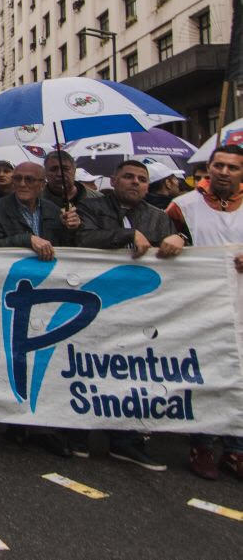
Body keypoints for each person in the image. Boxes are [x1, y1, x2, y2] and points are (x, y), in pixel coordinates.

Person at [74, 160, 184, 471]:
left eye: (142, 179)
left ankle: (126, 439)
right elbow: (83, 239)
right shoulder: (90, 208)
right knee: (89, 366)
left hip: (139, 309)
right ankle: (81, 431)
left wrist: (181, 240)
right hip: (95, 303)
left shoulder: (159, 218)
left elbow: (176, 254)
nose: (135, 183)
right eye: (128, 177)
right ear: (114, 180)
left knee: (133, 372)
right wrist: (127, 235)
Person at [0, 161, 79, 457]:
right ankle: (16, 423)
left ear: (42, 183)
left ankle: (48, 427)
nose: (22, 184)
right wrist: (26, 240)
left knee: (50, 358)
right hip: (15, 292)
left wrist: (72, 228)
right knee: (17, 356)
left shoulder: (54, 212)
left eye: (30, 179)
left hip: (51, 293)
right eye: (18, 179)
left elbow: (74, 250)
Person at [165, 145, 243, 480]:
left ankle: (236, 448)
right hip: (201, 306)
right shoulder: (182, 206)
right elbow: (162, 240)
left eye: (233, 167)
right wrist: (175, 240)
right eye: (219, 166)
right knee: (204, 373)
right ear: (208, 168)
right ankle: (203, 444)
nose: (225, 172)